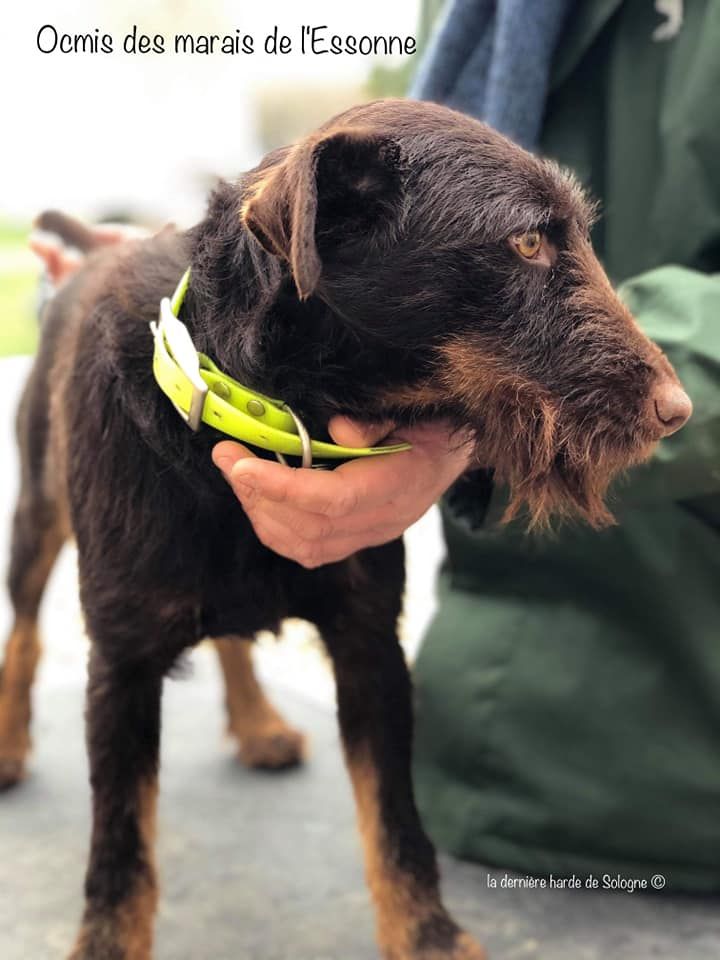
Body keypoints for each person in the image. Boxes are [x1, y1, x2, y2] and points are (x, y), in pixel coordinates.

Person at [214, 0, 720, 892]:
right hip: (478, 764)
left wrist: (452, 439)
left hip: (692, 776)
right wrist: (195, 282)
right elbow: (381, 257)